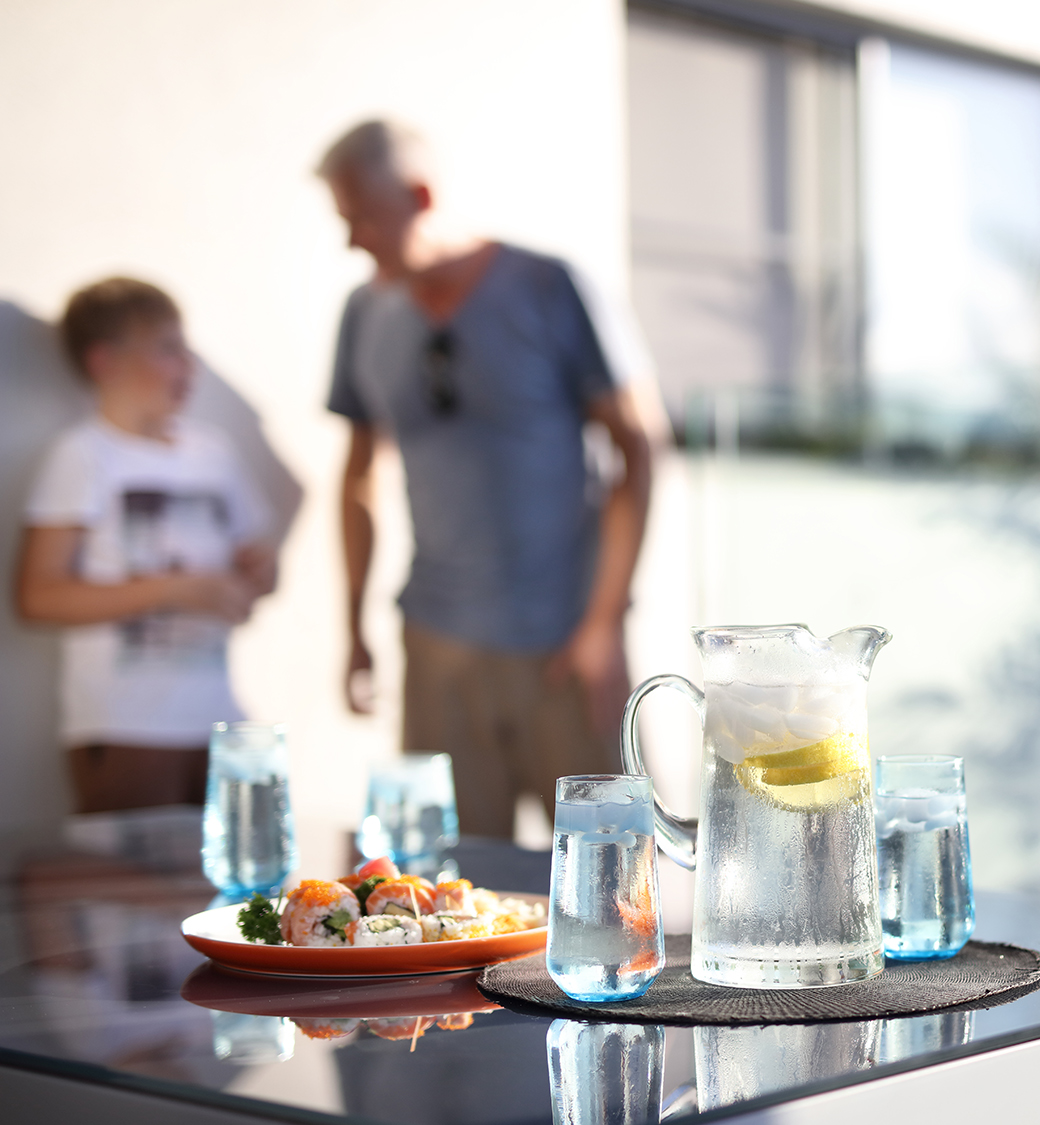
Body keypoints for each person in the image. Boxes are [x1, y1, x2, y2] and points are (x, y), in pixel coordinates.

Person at [317, 119, 666, 839]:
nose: (353, 241)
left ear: (419, 195)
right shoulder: (364, 313)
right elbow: (358, 475)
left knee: (614, 886)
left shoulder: (546, 286)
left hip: (563, 646)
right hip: (436, 649)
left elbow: (638, 445)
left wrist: (603, 623)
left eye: (362, 219)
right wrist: (353, 626)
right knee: (451, 894)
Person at [13, 278, 277, 813]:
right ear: (104, 361)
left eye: (186, 348)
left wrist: (257, 571)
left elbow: (261, 569)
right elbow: (38, 596)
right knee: (134, 888)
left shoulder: (214, 453)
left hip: (218, 724)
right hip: (125, 724)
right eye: (167, 348)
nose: (188, 365)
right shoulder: (83, 455)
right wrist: (175, 589)